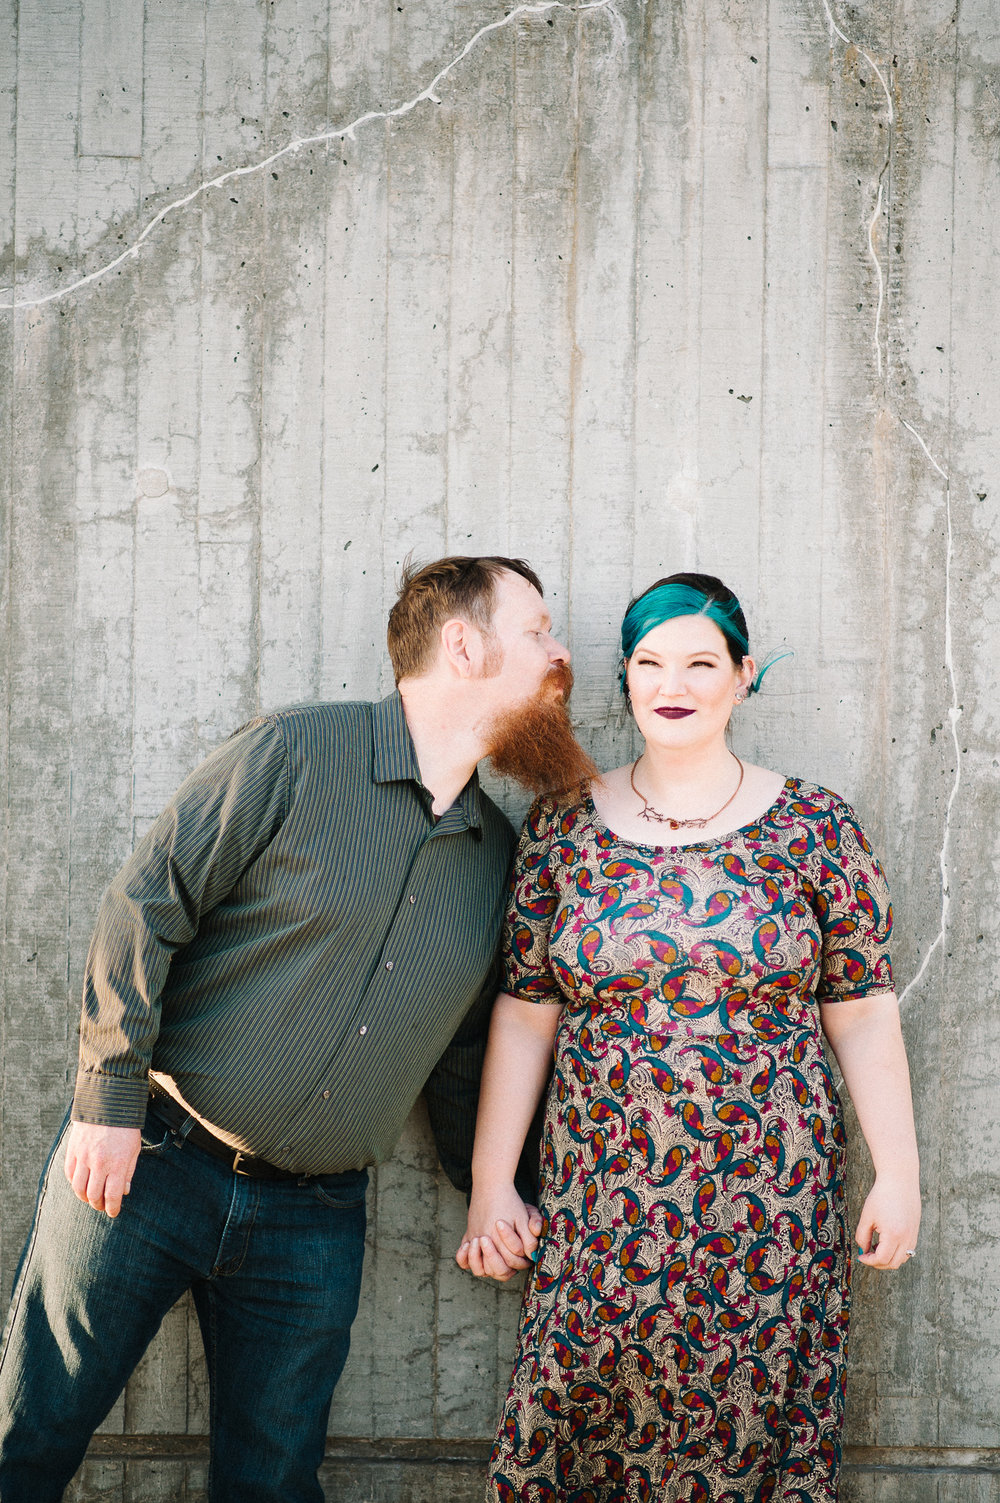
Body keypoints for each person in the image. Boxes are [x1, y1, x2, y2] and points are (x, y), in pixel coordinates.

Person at [0, 555, 599, 1503]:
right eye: (538, 630)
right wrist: (106, 1101)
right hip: (146, 1161)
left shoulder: (497, 859)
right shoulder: (293, 753)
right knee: (29, 1440)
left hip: (312, 1222)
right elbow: (145, 906)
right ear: (463, 644)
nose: (561, 653)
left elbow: (458, 1060)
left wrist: (505, 1195)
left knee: (273, 1483)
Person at [457, 572, 921, 1503]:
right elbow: (524, 1013)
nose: (674, 682)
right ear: (625, 678)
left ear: (743, 675)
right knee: (578, 1435)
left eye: (702, 661)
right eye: (650, 661)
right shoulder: (563, 826)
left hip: (769, 1213)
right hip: (601, 1207)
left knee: (753, 1445)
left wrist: (900, 1173)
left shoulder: (816, 828)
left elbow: (863, 1009)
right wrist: (490, 1183)